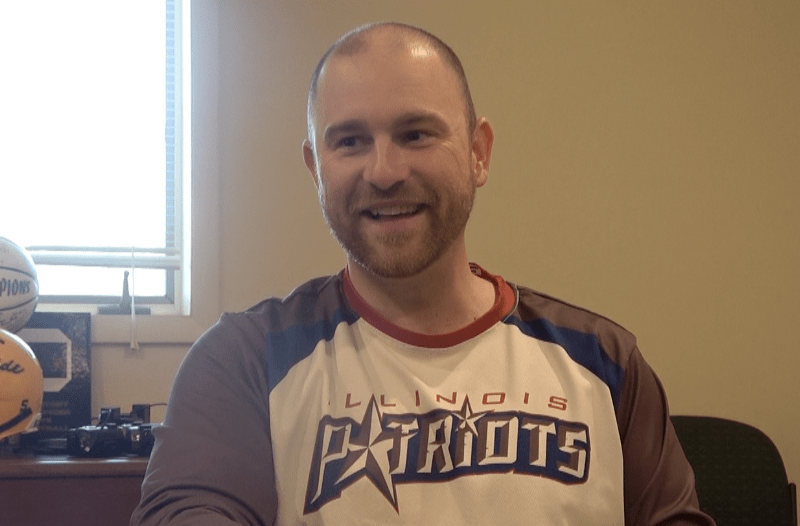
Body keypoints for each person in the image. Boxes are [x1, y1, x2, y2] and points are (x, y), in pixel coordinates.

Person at [132, 22, 716, 526]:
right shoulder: (243, 363)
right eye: (350, 141)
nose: (384, 171)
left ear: (478, 152)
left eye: (415, 134)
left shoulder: (604, 364)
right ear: (315, 168)